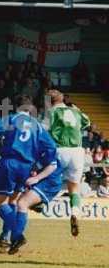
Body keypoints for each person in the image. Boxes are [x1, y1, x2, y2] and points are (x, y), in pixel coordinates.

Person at [0, 95, 57, 255]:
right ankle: (5, 238)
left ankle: (17, 235)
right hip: (26, 167)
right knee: (13, 201)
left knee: (0, 203)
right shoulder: (38, 126)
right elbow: (51, 146)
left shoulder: (11, 119)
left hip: (9, 163)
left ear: (17, 108)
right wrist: (39, 164)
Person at [44, 89, 90, 237]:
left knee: (45, 178)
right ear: (63, 99)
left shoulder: (51, 112)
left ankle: (37, 203)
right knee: (74, 186)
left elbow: (43, 131)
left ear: (49, 102)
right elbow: (87, 122)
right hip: (77, 151)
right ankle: (75, 212)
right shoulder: (75, 111)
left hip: (60, 150)